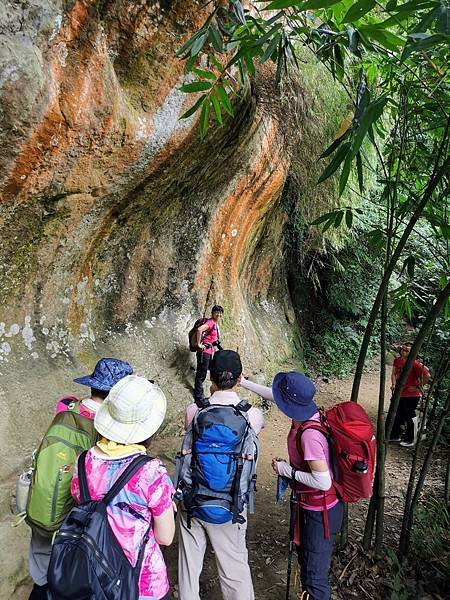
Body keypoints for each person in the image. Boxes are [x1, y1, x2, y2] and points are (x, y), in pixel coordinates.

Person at [28, 357, 133, 600]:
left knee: (41, 566)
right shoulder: (106, 429)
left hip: (43, 502)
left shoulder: (66, 408)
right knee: (68, 573)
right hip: (73, 515)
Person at [70, 375, 175, 600]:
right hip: (141, 582)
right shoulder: (151, 473)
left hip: (93, 574)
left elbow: (81, 500)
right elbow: (165, 537)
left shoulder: (82, 462)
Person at [241, 372, 342, 600]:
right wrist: (245, 382)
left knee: (315, 579)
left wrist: (287, 471)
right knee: (307, 566)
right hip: (313, 507)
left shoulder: (309, 436)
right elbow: (274, 396)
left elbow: (323, 482)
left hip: (321, 513)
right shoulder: (309, 413)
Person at [178, 350, 264, 600]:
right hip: (231, 504)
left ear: (209, 378)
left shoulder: (193, 410)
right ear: (239, 379)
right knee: (234, 568)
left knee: (189, 566)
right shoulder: (252, 416)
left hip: (192, 501)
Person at [389, 342, 430, 447]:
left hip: (412, 394)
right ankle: (395, 435)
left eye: (406, 350)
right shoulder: (398, 360)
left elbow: (427, 374)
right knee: (398, 414)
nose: (403, 351)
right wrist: (393, 384)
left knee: (409, 416)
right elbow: (394, 373)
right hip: (400, 393)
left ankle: (410, 438)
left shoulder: (415, 363)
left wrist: (418, 386)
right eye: (403, 349)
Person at [193, 304, 224, 405]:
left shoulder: (215, 323)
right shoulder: (210, 322)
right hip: (204, 352)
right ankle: (198, 398)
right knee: (201, 375)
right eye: (216, 312)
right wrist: (198, 344)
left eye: (220, 313)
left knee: (211, 372)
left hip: (210, 352)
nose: (218, 314)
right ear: (212, 313)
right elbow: (199, 330)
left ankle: (206, 395)